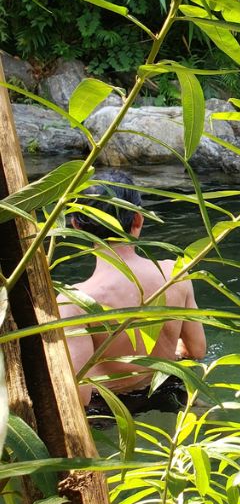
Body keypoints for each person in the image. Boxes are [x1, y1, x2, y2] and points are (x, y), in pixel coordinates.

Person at [59, 170, 206, 411]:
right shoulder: (175, 274)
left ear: (76, 225)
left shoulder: (74, 302)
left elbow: (79, 397)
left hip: (108, 409)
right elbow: (196, 350)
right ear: (138, 219)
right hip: (168, 389)